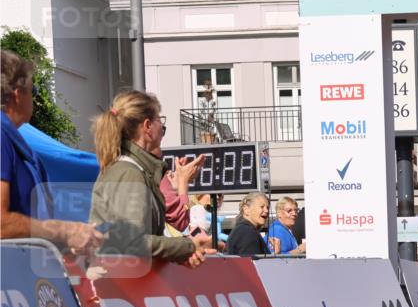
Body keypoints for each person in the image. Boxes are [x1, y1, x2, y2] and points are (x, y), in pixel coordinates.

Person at [90, 90, 212, 267]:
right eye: (160, 123)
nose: (162, 131)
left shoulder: (132, 170)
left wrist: (180, 254)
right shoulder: (129, 173)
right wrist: (187, 246)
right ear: (147, 127)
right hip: (122, 281)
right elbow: (130, 244)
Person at [1, 50, 105, 252]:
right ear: (17, 95)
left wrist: (66, 241)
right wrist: (65, 231)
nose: (34, 99)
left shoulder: (14, 140)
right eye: (33, 91)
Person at [227, 191, 271, 256]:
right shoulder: (247, 232)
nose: (266, 211)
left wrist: (276, 254)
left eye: (267, 207)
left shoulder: (242, 229)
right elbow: (251, 261)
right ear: (246, 209)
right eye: (262, 207)